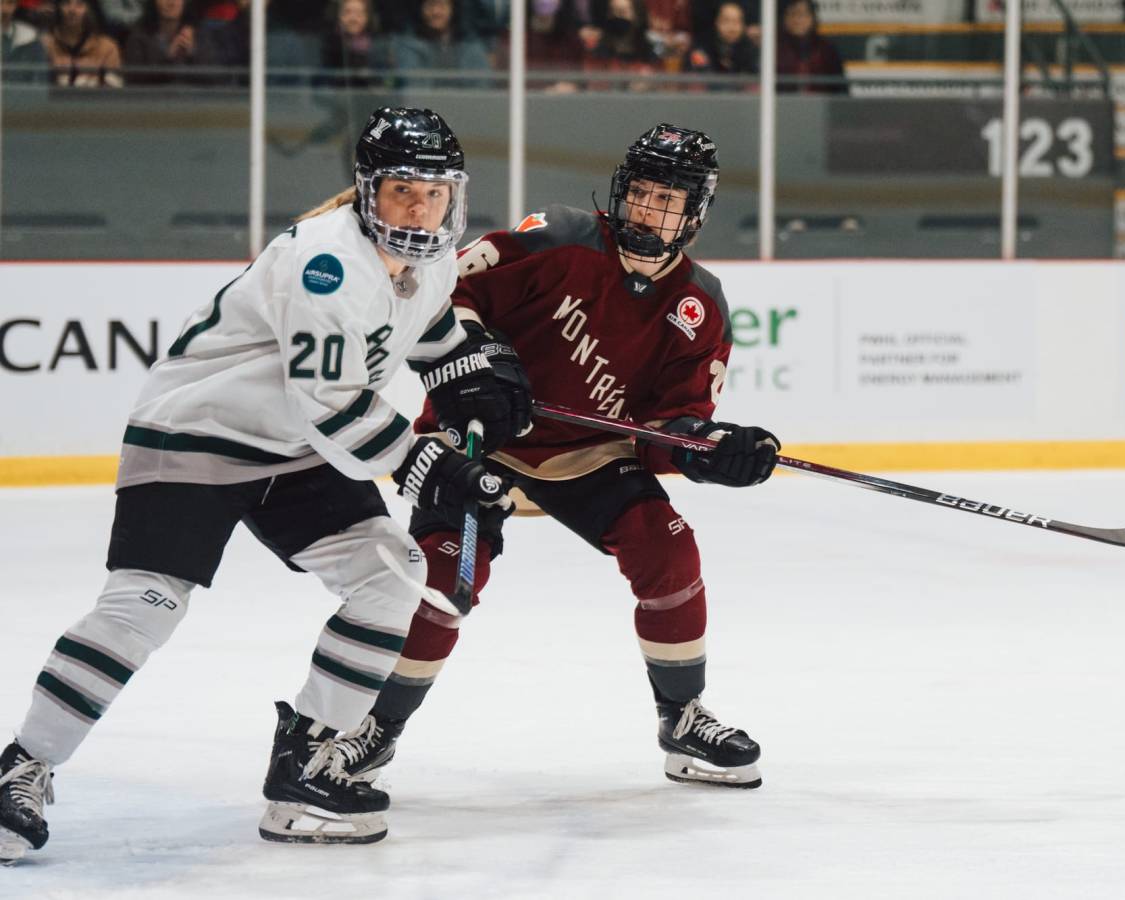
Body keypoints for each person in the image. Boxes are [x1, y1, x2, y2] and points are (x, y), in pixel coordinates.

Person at [0, 106, 528, 862]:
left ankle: (304, 766)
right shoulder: (327, 261)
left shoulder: (433, 257)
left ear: (456, 196)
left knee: (391, 577)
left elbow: (429, 329)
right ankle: (24, 764)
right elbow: (331, 406)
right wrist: (431, 465)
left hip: (292, 449)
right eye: (402, 191)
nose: (419, 209)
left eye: (434, 194)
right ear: (366, 191)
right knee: (145, 605)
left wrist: (473, 368)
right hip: (198, 433)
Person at [338, 124, 780, 792]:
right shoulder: (559, 238)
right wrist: (482, 358)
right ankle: (374, 729)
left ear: (695, 214)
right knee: (445, 580)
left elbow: (667, 428)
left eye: (667, 201)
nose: (648, 211)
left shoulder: (700, 305)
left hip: (588, 453)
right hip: (480, 434)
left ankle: (682, 717)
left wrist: (706, 452)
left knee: (669, 551)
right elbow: (445, 294)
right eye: (641, 194)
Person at [42, 0, 122, 87]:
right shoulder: (44, 44)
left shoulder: (107, 47)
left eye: (79, 4)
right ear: (58, 8)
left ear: (89, 10)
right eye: (66, 3)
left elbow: (115, 88)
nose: (72, 10)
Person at [777, 0, 844, 94]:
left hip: (822, 105)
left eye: (801, 14)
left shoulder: (827, 49)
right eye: (791, 14)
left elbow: (840, 88)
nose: (796, 20)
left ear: (812, 17)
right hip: (783, 106)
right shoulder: (774, 49)